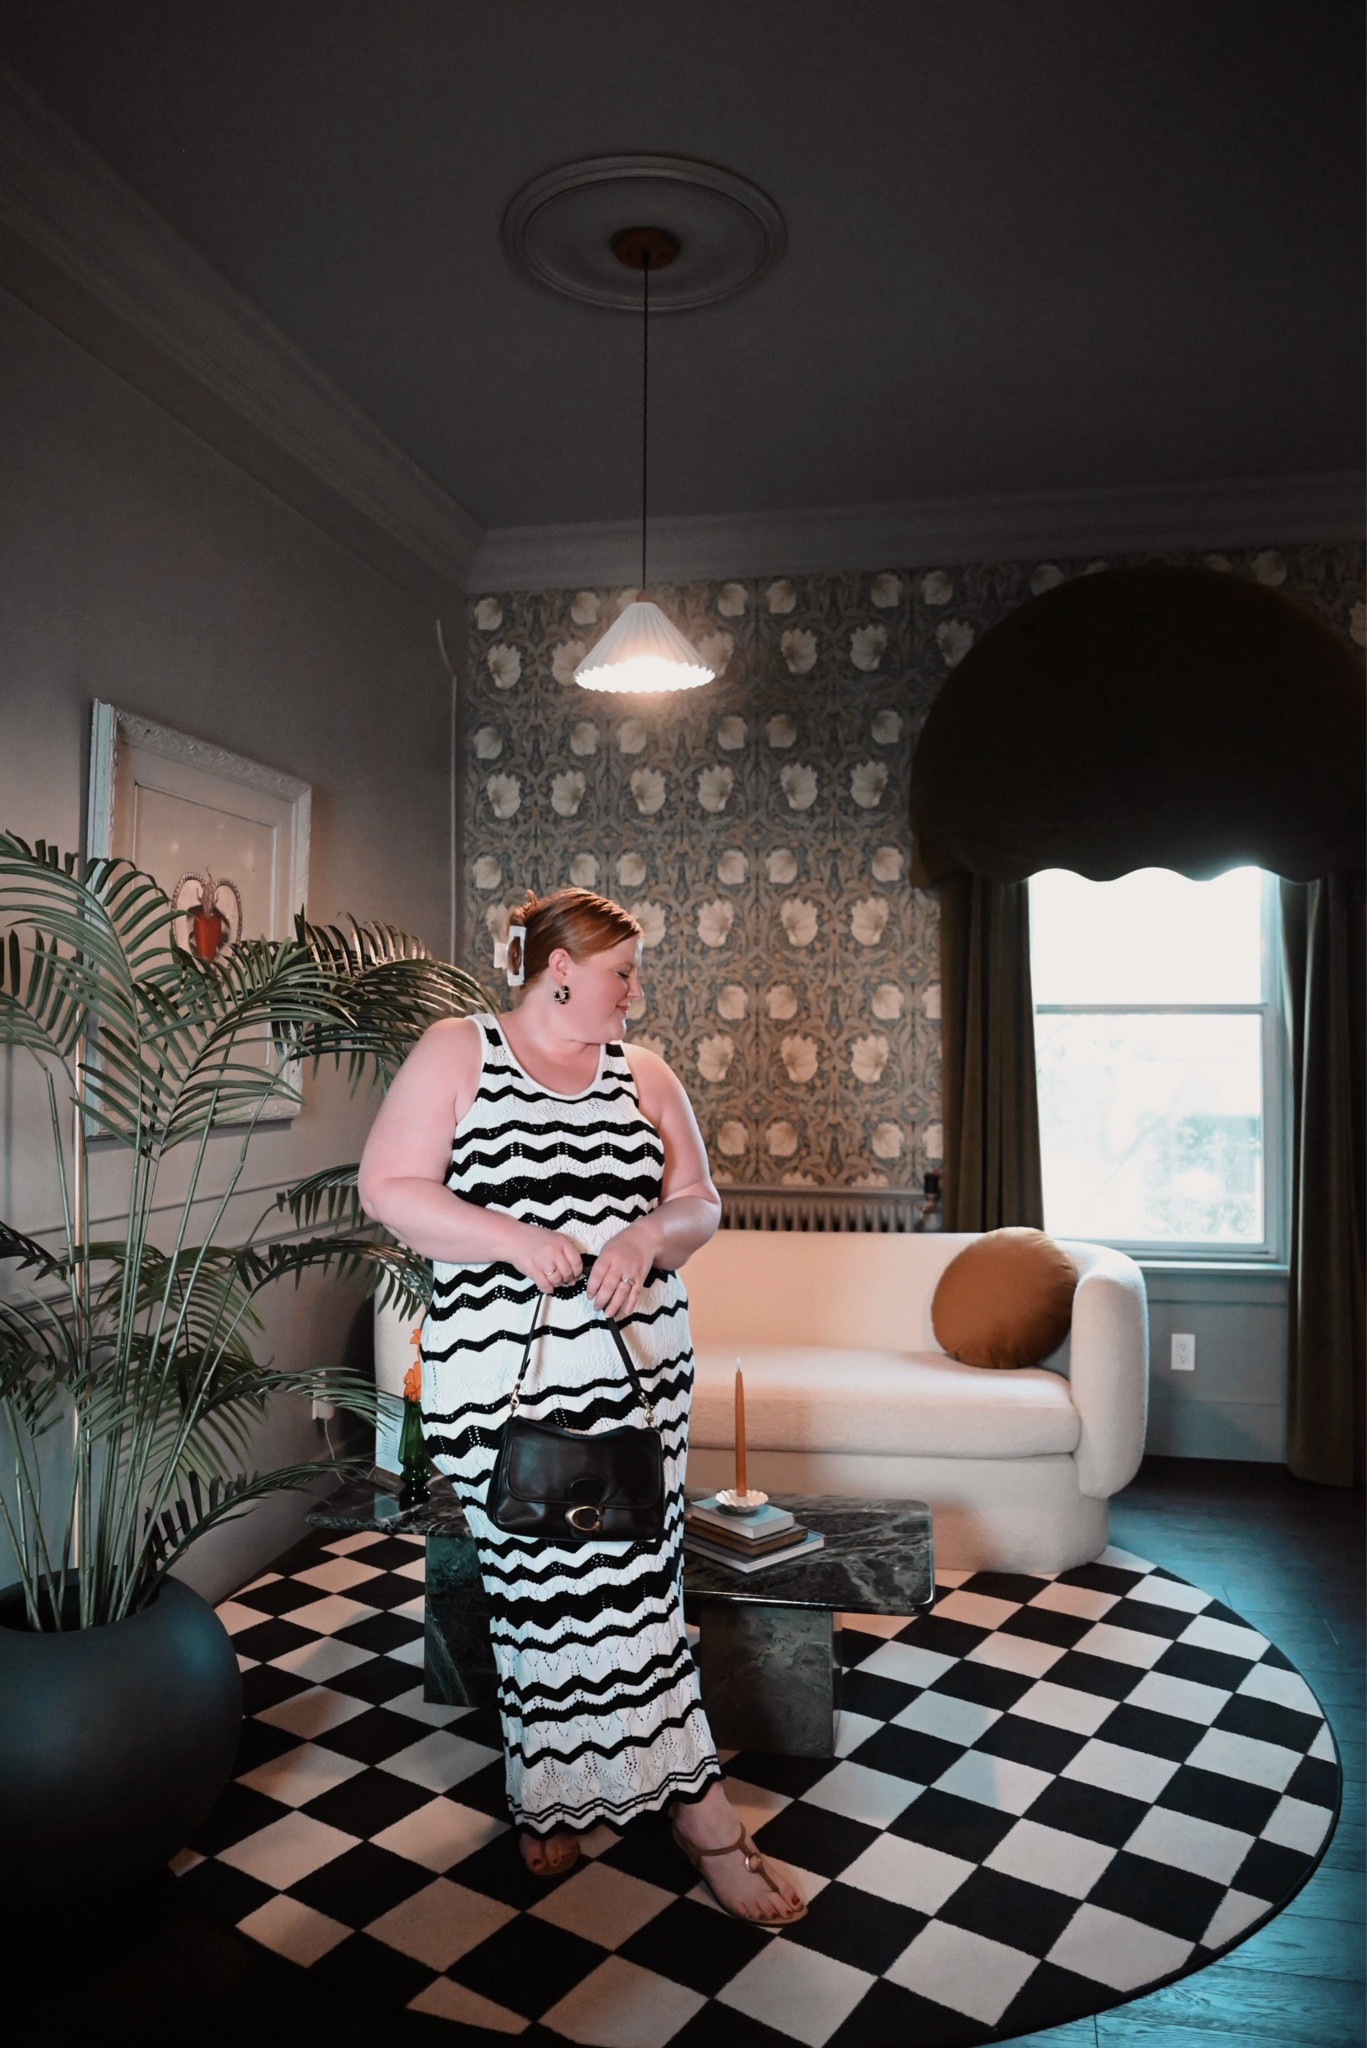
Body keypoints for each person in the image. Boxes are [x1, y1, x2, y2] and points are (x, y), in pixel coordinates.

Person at [357, 886, 804, 1925]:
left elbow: (700, 1198)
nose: (634, 991)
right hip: (502, 1381)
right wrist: (517, 1238)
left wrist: (645, 1237)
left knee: (639, 1594)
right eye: (623, 972)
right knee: (538, 1598)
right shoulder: (455, 1049)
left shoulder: (643, 1071)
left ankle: (687, 1811)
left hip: (638, 1372)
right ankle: (562, 1785)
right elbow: (389, 1184)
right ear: (559, 968)